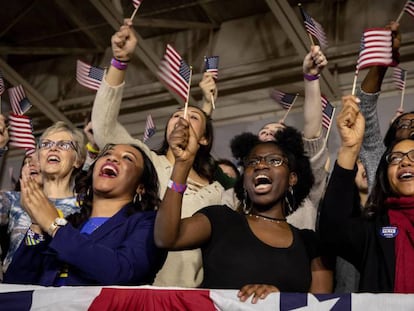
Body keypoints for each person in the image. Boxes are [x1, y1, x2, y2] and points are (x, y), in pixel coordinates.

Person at [91, 19, 224, 287]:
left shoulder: (218, 191)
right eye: (176, 116)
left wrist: (206, 107)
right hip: (135, 285)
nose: (181, 119)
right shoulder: (146, 163)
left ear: (206, 137)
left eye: (192, 117)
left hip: (189, 295)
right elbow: (104, 129)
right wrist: (119, 63)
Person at [155, 118, 333, 302]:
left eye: (274, 160)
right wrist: (182, 165)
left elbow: (320, 306)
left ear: (292, 179)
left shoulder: (309, 244)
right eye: (252, 162)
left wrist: (280, 300)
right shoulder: (219, 219)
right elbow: (166, 237)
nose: (261, 165)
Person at [4, 143, 167, 286]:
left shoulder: (150, 223)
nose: (112, 159)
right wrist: (37, 227)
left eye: (128, 158)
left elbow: (123, 272)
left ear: (141, 187)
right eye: (107, 154)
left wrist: (55, 227)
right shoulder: (70, 223)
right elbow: (15, 282)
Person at [319, 94, 414, 293]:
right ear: (385, 176)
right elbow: (333, 228)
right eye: (395, 158)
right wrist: (350, 149)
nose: (405, 162)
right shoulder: (375, 228)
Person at [233, 45, 329, 230]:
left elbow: (313, 131)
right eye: (264, 131)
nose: (269, 132)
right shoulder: (233, 194)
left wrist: (311, 79)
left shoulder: (303, 186)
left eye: (276, 132)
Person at [0, 121, 86, 273]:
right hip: (15, 290)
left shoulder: (87, 205)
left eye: (64, 145)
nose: (53, 148)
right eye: (46, 144)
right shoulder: (14, 200)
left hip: (65, 291)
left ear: (78, 160)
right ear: (39, 158)